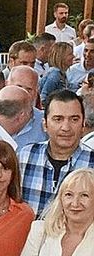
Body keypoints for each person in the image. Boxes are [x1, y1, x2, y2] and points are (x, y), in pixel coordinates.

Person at [18, 89, 94, 217]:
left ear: (83, 125)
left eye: (74, 119)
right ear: (45, 124)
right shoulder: (25, 156)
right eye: (58, 119)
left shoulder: (92, 162)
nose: (66, 127)